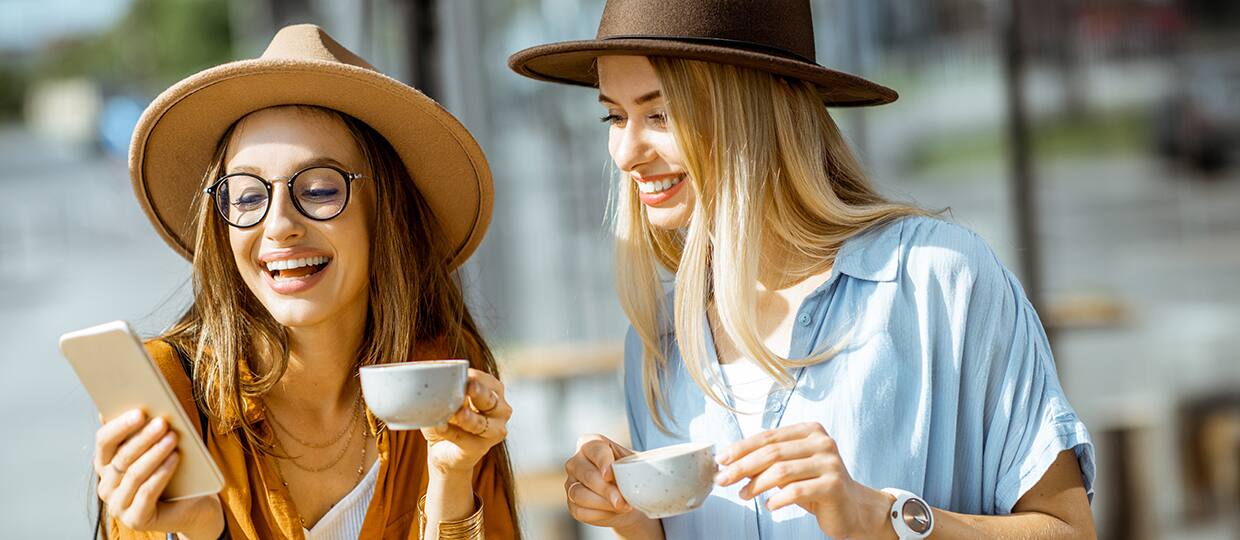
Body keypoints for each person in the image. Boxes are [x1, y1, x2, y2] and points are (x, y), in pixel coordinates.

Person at [509, 1, 1096, 538]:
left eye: (659, 114)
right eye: (613, 117)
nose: (625, 151)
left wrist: (882, 517)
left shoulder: (938, 280)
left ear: (751, 112)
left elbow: (1068, 530)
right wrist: (634, 520)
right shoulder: (659, 344)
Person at [92, 24, 517, 539]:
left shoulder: (438, 375)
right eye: (247, 196)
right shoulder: (169, 394)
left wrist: (452, 477)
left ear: (386, 214)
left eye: (317, 189)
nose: (279, 225)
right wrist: (201, 533)